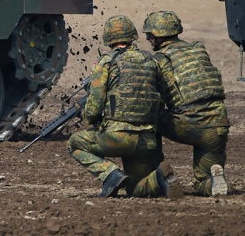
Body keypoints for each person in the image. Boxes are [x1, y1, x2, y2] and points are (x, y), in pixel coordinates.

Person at [68, 15, 170, 198]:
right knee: (136, 189)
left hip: (117, 137)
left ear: (108, 38)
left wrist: (90, 118)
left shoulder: (106, 63)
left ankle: (111, 174)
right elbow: (161, 98)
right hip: (147, 141)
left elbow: (93, 109)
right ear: (132, 36)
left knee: (75, 143)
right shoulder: (152, 61)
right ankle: (160, 178)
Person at [143, 10, 230, 197]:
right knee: (202, 183)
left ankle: (158, 173)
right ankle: (213, 182)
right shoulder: (198, 48)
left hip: (189, 123)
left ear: (158, 36)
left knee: (149, 119)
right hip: (218, 124)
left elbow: (155, 100)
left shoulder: (159, 60)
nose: (149, 39)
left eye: (150, 35)